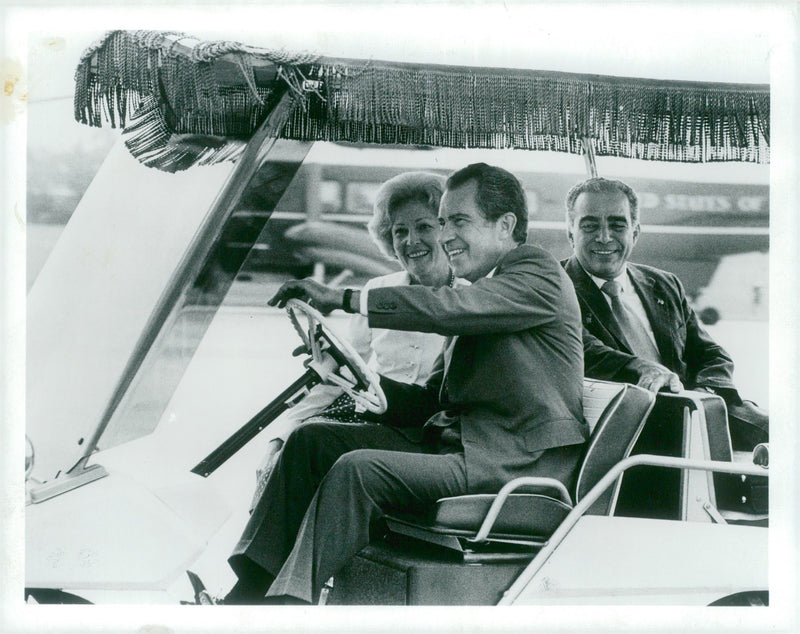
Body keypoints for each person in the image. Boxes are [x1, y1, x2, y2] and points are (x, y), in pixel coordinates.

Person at [222, 163, 588, 605]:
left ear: (505, 225)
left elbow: (451, 308)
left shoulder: (536, 273)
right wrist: (353, 372)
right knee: (310, 441)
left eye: (458, 221)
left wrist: (344, 300)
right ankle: (248, 591)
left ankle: (287, 606)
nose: (446, 234)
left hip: (515, 463)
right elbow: (431, 401)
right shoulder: (482, 291)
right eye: (444, 222)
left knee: (359, 470)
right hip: (465, 446)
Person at [250, 171, 456, 508]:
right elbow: (335, 377)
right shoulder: (375, 291)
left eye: (424, 228)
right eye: (399, 231)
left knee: (312, 443)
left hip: (427, 432)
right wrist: (278, 438)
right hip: (372, 419)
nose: (410, 241)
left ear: (447, 231)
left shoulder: (472, 298)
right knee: (291, 449)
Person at [561, 177, 768, 452]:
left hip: (695, 411)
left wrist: (704, 395)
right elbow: (585, 351)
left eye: (617, 224)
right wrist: (644, 369)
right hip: (623, 431)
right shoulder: (554, 287)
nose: (604, 236)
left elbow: (710, 354)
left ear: (635, 232)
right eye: (590, 226)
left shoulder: (665, 283)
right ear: (571, 233)